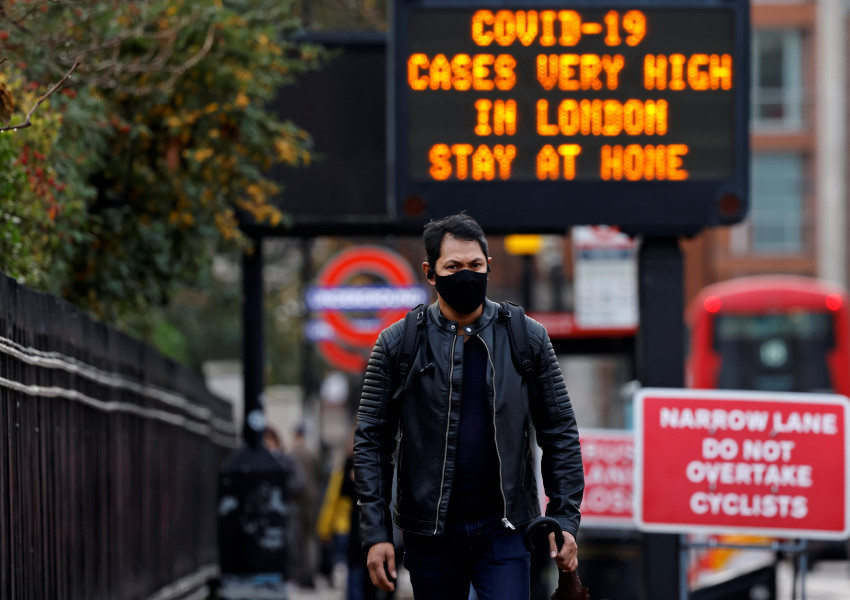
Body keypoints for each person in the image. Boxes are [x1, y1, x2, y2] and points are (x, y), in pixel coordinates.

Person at [353, 212, 585, 600]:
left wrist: (564, 518)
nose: (467, 275)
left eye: (475, 265)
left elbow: (560, 432)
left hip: (506, 528)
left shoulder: (526, 337)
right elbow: (371, 443)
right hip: (430, 532)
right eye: (453, 266)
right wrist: (376, 534)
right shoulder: (398, 344)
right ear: (431, 272)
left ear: (488, 266)